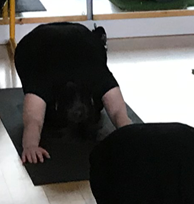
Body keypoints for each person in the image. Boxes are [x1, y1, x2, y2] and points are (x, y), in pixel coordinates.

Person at [14, 22, 132, 164]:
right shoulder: (43, 80)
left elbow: (118, 113)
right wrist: (30, 146)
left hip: (83, 38)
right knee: (43, 114)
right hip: (33, 44)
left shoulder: (98, 75)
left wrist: (132, 137)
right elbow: (33, 121)